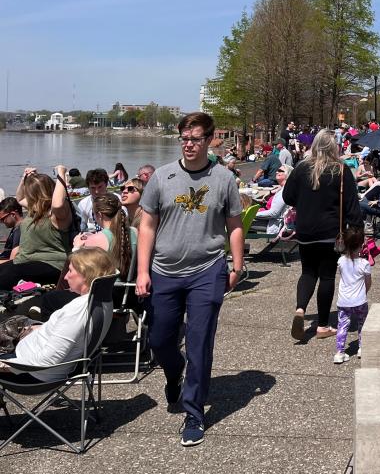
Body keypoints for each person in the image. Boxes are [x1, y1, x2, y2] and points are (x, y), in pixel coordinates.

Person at [135, 112, 244, 447]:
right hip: (165, 271)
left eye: (196, 138)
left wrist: (237, 265)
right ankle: (174, 372)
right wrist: (142, 271)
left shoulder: (223, 179)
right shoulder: (162, 177)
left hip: (207, 270)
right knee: (159, 341)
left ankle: (194, 412)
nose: (189, 144)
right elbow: (147, 226)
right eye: (184, 138)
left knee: (199, 343)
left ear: (209, 140)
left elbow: (234, 224)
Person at [282, 129, 363, 342]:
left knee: (308, 272)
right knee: (326, 276)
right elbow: (352, 205)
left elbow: (288, 196)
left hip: (305, 230)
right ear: (334, 147)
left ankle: (300, 310)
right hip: (330, 232)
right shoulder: (341, 170)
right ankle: (324, 325)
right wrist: (357, 233)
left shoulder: (301, 169)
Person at [0, 248, 115, 383]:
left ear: (85, 274)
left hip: (30, 372)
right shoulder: (101, 301)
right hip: (31, 356)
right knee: (17, 323)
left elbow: (47, 361)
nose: (65, 276)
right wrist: (41, 328)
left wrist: (6, 365)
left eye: (70, 271)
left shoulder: (77, 311)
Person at [39, 193, 138, 318]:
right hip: (128, 296)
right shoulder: (134, 232)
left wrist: (76, 247)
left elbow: (76, 270)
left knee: (49, 299)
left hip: (102, 299)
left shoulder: (94, 240)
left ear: (99, 215)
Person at [0, 168, 73, 290]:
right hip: (25, 261)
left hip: (52, 264)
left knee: (7, 276)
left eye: (30, 192)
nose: (27, 196)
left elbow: (57, 203)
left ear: (39, 193)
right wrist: (25, 178)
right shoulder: (35, 208)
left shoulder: (58, 213)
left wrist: (61, 174)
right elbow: (19, 198)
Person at [332, 226, 371, 364]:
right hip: (360, 300)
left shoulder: (340, 261)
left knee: (342, 325)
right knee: (362, 323)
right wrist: (364, 292)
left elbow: (342, 276)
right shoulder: (364, 264)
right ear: (361, 245)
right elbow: (368, 282)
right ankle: (362, 347)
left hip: (344, 301)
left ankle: (340, 352)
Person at [254, 165, 293, 240]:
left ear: (288, 175)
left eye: (280, 171)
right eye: (277, 170)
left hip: (276, 223)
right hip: (274, 219)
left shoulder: (284, 191)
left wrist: (253, 214)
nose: (276, 172)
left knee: (241, 222)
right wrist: (270, 192)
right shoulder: (284, 188)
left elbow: (273, 213)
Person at [0, 197, 24, 264]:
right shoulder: (16, 229)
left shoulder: (20, 230)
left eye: (2, 219)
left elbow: (13, 261)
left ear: (13, 214)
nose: (1, 222)